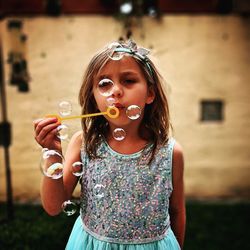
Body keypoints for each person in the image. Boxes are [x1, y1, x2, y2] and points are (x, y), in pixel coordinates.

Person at [34, 39, 186, 249]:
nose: (115, 91)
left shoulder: (169, 153)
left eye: (128, 80)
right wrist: (52, 151)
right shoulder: (84, 143)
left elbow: (177, 211)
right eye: (104, 83)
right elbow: (53, 206)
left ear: (150, 93)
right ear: (94, 98)